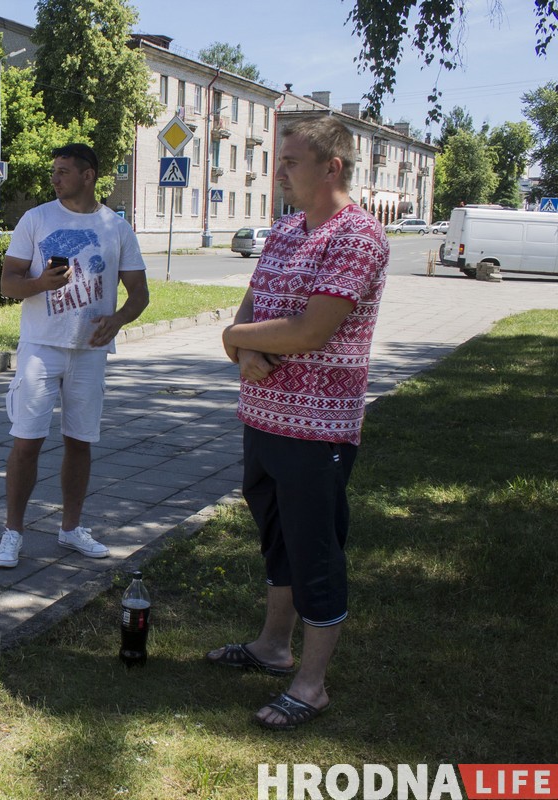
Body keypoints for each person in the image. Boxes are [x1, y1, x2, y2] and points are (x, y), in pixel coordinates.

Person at [209, 114, 389, 730]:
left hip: (317, 429)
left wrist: (235, 337)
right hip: (263, 419)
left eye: (290, 161)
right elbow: (253, 309)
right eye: (280, 160)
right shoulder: (284, 233)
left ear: (331, 167)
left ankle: (311, 685)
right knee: (278, 538)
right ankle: (272, 647)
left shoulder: (358, 237)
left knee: (316, 550)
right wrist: (242, 343)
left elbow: (313, 328)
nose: (278, 170)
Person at [0, 143, 149, 569]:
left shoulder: (115, 228)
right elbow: (8, 282)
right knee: (27, 441)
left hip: (89, 351)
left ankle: (71, 529)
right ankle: (12, 533)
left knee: (80, 442)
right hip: (41, 347)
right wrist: (40, 283)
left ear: (88, 175)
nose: (55, 178)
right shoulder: (37, 218)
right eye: (54, 170)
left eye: (63, 171)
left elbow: (139, 294)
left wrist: (117, 320)